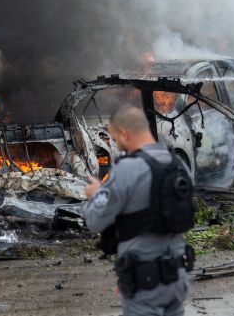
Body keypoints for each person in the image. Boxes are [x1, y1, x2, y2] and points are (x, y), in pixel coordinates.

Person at [83, 104, 193, 316]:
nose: (116, 143)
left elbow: (95, 221)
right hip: (177, 273)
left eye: (115, 138)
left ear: (124, 132)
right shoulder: (178, 164)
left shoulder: (128, 168)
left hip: (145, 277)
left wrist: (96, 194)